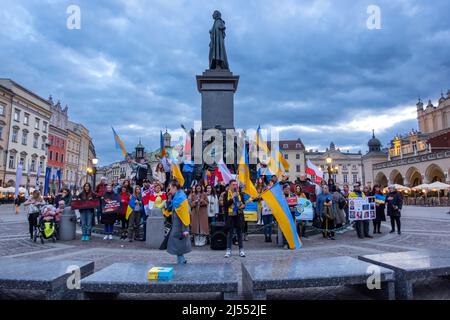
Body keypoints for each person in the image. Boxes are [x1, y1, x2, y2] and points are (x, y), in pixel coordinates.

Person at [166, 180, 192, 264]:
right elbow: (170, 209)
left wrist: (185, 229)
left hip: (180, 227)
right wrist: (169, 199)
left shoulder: (181, 198)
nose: (169, 191)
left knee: (178, 246)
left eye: (170, 188)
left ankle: (181, 263)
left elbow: (185, 215)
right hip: (176, 226)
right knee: (178, 246)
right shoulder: (177, 197)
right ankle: (182, 261)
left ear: (174, 187)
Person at [224, 180, 246, 258]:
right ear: (230, 185)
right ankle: (228, 250)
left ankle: (241, 250)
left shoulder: (240, 194)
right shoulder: (226, 194)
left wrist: (242, 206)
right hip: (230, 216)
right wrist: (231, 198)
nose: (235, 186)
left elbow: (243, 204)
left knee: (239, 233)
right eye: (233, 185)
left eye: (236, 185)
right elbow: (225, 205)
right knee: (230, 233)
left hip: (238, 215)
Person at [282, 183, 297, 248]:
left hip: (291, 214)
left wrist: (293, 207)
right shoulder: (281, 196)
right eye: (286, 189)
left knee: (291, 229)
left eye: (288, 188)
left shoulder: (292, 195)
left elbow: (296, 204)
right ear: (283, 189)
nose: (287, 190)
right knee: (285, 230)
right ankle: (285, 243)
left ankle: (291, 243)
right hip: (284, 214)